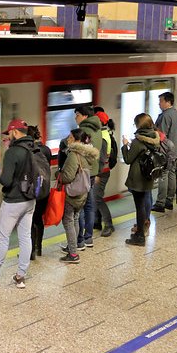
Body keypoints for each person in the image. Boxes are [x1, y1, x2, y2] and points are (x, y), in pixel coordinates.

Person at [0, 119, 36, 288]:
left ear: (15, 132)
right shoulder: (34, 147)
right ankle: (20, 276)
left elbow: (6, 180)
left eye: (9, 133)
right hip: (30, 199)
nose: (8, 137)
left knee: (2, 237)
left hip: (14, 201)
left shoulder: (13, 152)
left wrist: (2, 173)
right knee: (25, 237)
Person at [57, 128, 98, 263]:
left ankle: (73, 254)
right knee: (74, 218)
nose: (67, 139)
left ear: (76, 140)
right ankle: (72, 247)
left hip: (72, 194)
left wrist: (59, 175)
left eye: (70, 137)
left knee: (68, 220)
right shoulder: (86, 153)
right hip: (82, 193)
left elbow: (68, 176)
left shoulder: (74, 155)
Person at [121, 113, 160, 246]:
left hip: (138, 178)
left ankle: (139, 236)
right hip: (148, 176)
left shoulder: (138, 141)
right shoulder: (155, 137)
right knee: (143, 204)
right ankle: (142, 232)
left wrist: (125, 146)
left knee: (140, 207)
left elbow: (128, 159)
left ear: (139, 125)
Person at [74, 105, 102, 248]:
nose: (75, 118)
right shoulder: (98, 130)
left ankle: (79, 240)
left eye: (77, 114)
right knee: (90, 206)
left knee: (79, 206)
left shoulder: (83, 131)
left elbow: (79, 152)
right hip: (93, 171)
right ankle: (88, 237)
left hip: (83, 172)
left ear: (84, 116)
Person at [153, 91, 177, 213]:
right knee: (171, 174)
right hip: (175, 150)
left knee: (163, 175)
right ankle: (169, 201)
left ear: (167, 102)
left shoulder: (164, 116)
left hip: (165, 150)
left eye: (161, 101)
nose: (159, 104)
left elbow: (161, 135)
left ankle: (160, 202)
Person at [27, 125, 53, 260]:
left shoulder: (30, 151)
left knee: (30, 220)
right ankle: (39, 248)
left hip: (33, 191)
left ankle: (30, 251)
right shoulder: (47, 150)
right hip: (45, 189)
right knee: (39, 219)